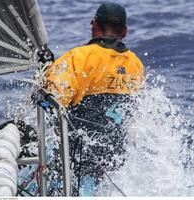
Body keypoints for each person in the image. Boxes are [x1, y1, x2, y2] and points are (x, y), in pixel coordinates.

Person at [44, 2, 144, 196]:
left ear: (94, 25)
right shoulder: (136, 65)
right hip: (113, 158)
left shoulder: (77, 58)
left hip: (75, 158)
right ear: (124, 32)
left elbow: (53, 101)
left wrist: (47, 72)